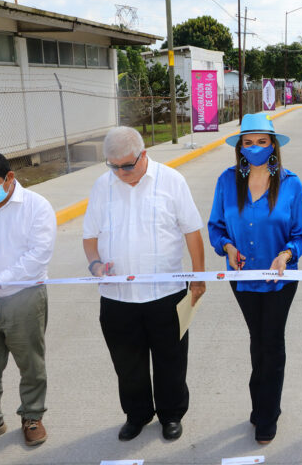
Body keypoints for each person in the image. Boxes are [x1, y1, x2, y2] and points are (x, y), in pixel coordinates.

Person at [82, 127, 206, 442]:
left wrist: (198, 275)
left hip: (165, 294)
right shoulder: (101, 187)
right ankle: (137, 415)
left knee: (171, 361)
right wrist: (95, 264)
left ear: (144, 155)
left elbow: (191, 231)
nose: (121, 172)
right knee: (128, 364)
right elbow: (90, 237)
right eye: (113, 166)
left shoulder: (171, 181)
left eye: (127, 165)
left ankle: (171, 414)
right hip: (117, 298)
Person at [208, 113, 302, 444]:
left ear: (273, 145)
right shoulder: (226, 182)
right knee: (258, 341)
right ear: (240, 147)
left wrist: (286, 254)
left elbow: (300, 234)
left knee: (272, 341)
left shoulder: (292, 184)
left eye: (261, 142)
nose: (254, 148)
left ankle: (268, 415)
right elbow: (216, 227)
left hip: (281, 280)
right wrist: (227, 246)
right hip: (242, 278)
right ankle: (260, 405)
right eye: (248, 142)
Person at [0, 152, 56, 447]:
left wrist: (0, 280)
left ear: (10, 178)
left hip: (24, 297)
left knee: (30, 363)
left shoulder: (36, 207)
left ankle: (32, 416)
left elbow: (38, 255)